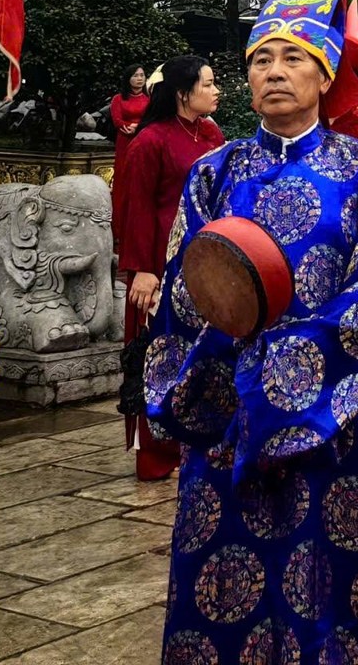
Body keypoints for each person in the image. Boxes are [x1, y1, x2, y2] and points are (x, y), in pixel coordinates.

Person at [144, 0, 358, 664]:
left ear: (324, 76)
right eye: (261, 59)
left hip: (329, 423)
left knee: (321, 578)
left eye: (294, 58)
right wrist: (230, 370)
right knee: (219, 578)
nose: (274, 72)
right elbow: (182, 288)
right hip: (226, 411)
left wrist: (293, 367)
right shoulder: (216, 171)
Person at [113, 54, 223, 481]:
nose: (216, 91)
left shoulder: (212, 134)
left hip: (207, 263)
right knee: (159, 358)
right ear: (183, 93)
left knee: (204, 357)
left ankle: (203, 444)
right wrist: (141, 268)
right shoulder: (150, 141)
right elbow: (134, 207)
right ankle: (158, 453)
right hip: (161, 265)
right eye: (208, 84)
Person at [110, 64, 150, 160]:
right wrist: (131, 127)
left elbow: (152, 119)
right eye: (135, 76)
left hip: (144, 138)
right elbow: (117, 121)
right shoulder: (118, 99)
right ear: (128, 78)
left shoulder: (150, 99)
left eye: (142, 75)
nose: (140, 78)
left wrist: (138, 128)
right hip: (125, 137)